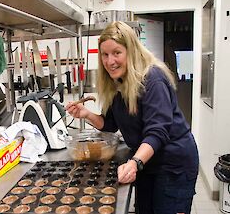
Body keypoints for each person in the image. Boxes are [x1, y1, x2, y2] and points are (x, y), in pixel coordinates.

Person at [66, 21, 199, 214]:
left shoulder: (153, 79)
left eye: (116, 53)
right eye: (105, 54)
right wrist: (85, 114)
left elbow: (157, 132)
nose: (110, 61)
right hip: (147, 162)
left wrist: (135, 162)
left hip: (173, 164)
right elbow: (109, 124)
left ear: (131, 50)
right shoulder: (117, 83)